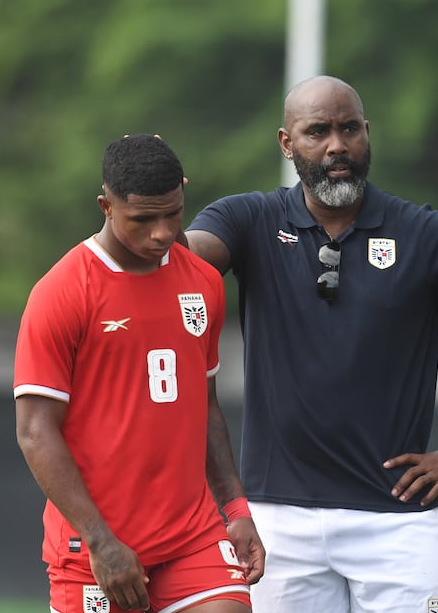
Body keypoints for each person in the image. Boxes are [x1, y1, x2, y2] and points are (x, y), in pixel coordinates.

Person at [183, 75, 438, 613]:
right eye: (317, 131)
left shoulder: (429, 234)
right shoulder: (248, 219)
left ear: (368, 134)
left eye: (349, 129)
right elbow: (179, 261)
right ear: (286, 143)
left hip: (397, 521)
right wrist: (142, 223)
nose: (336, 145)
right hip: (278, 522)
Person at [14, 134, 265, 613]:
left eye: (173, 213)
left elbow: (204, 406)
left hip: (191, 537)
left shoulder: (204, 283)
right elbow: (34, 432)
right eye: (143, 219)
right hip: (96, 549)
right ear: (106, 206)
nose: (162, 232)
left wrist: (234, 509)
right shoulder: (62, 292)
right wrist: (100, 541)